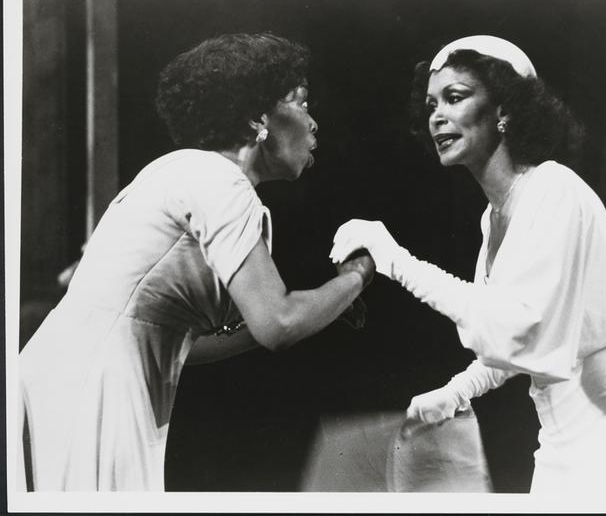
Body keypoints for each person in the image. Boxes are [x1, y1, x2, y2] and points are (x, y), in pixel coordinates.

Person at [18, 33, 375, 491]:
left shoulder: (182, 171)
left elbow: (180, 342)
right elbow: (278, 323)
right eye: (301, 102)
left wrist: (325, 306)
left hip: (79, 380)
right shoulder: (221, 184)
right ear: (256, 118)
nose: (313, 122)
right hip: (96, 392)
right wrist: (357, 276)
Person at [330, 36, 606, 495]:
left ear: (505, 107)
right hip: (560, 440)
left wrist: (397, 262)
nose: (436, 116)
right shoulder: (493, 218)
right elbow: (509, 343)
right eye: (431, 105)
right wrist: (457, 391)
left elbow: (516, 329)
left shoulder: (555, 189)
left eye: (455, 97)